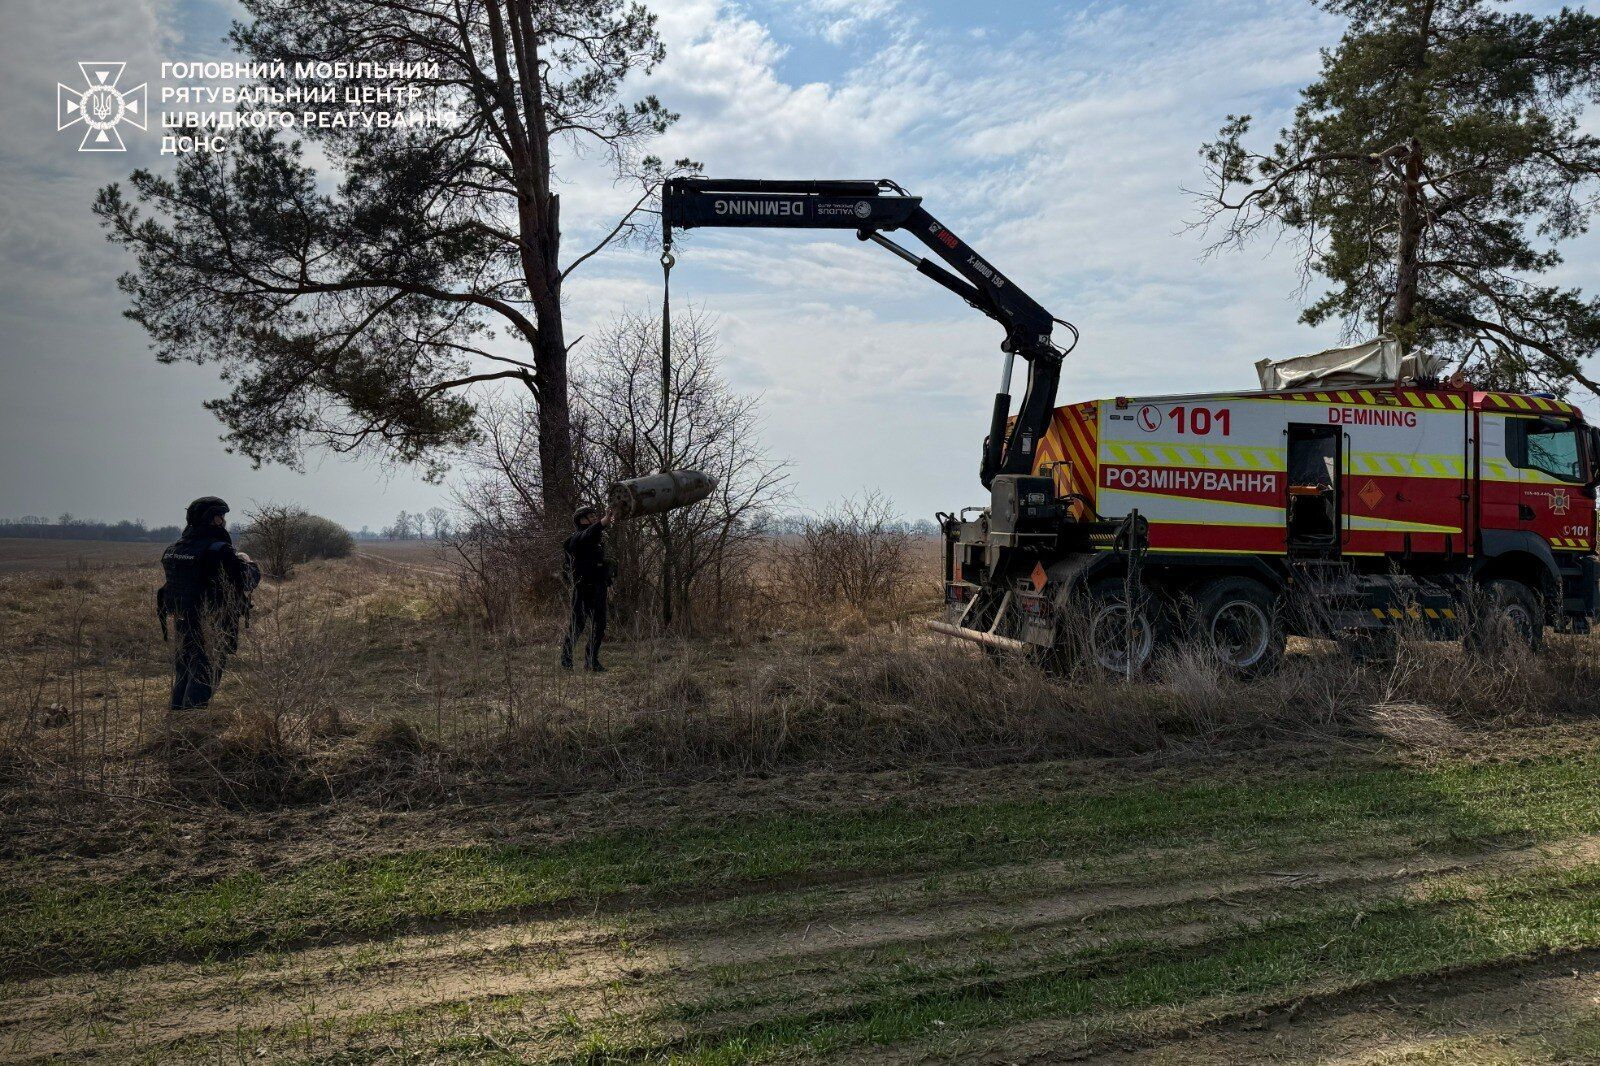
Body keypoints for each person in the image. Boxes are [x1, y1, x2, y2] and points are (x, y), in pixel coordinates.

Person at [157, 497, 261, 710]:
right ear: (211, 519)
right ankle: (191, 726)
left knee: (185, 669)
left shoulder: (175, 548)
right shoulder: (218, 550)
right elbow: (248, 580)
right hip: (212, 622)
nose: (223, 521)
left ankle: (177, 717)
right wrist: (246, 560)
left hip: (181, 619)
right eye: (220, 516)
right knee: (206, 671)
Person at [561, 503, 614, 671]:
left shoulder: (596, 542)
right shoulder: (578, 538)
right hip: (583, 589)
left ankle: (591, 661)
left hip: (599, 588)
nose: (594, 519)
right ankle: (566, 659)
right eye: (590, 517)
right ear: (581, 520)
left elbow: (601, 565)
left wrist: (609, 584)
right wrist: (606, 519)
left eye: (594, 516)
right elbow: (590, 532)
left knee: (600, 625)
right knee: (578, 625)